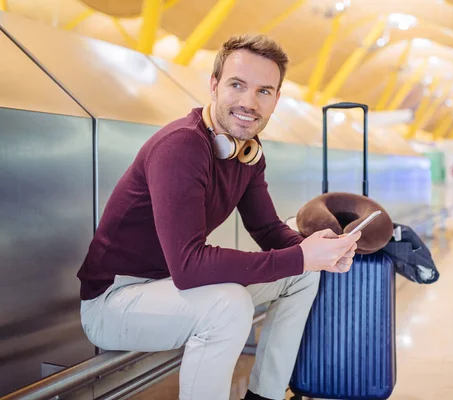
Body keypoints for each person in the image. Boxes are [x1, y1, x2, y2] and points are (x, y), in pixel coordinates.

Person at [76, 34, 361, 400]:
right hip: (115, 301)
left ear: (276, 99)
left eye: (263, 91)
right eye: (237, 85)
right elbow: (189, 266)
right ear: (214, 86)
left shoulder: (246, 153)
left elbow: (267, 228)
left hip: (171, 290)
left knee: (302, 277)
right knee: (230, 305)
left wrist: (318, 251)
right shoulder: (180, 146)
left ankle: (265, 396)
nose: (249, 102)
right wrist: (301, 255)